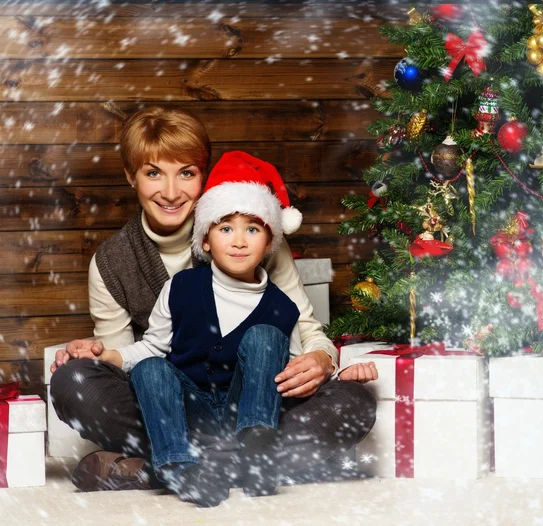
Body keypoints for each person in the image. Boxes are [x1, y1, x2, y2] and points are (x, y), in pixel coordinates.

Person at [49, 106, 377, 498]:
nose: (171, 192)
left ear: (203, 176)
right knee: (74, 383)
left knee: (354, 402)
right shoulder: (110, 263)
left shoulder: (255, 233)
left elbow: (306, 330)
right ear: (130, 177)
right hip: (170, 403)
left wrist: (322, 360)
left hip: (254, 400)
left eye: (186, 173)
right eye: (153, 173)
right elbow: (131, 364)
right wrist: (96, 354)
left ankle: (166, 468)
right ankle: (245, 463)